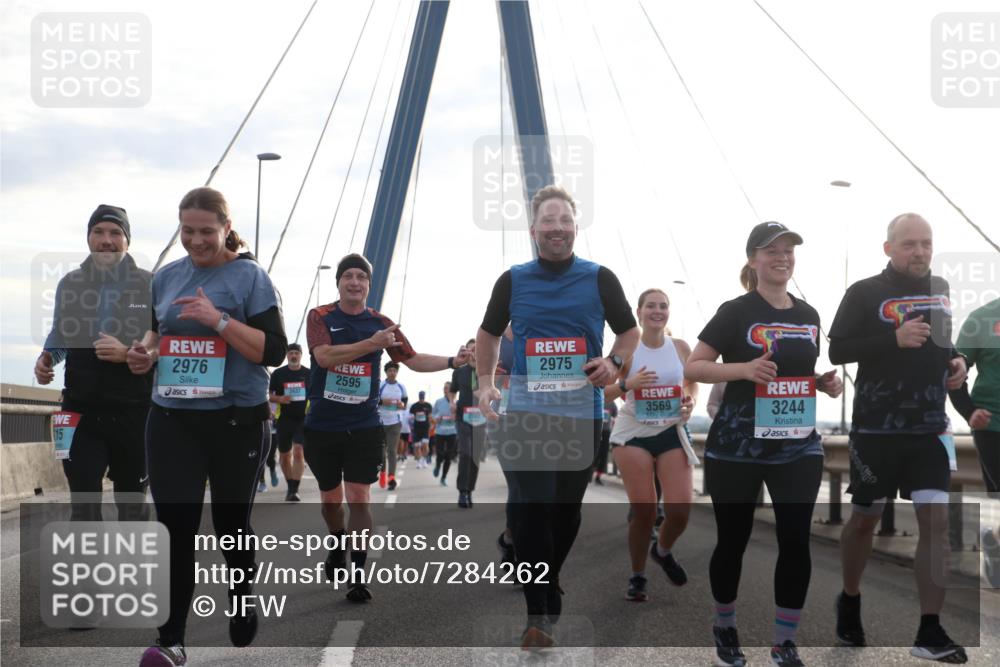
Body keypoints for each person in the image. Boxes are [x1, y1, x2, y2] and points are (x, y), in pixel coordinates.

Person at [127, 187, 287, 666]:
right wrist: (145, 355)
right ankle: (171, 641)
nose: (195, 241)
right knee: (175, 529)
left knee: (230, 525)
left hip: (236, 421)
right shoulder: (166, 278)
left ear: (225, 227)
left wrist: (217, 320)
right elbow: (157, 335)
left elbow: (273, 352)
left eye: (205, 232)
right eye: (187, 231)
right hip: (173, 417)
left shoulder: (250, 278)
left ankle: (242, 594)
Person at [476, 185, 639, 649]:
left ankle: (547, 579)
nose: (557, 229)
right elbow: (486, 335)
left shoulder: (600, 278)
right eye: (548, 221)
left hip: (580, 414)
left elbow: (627, 335)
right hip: (526, 414)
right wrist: (485, 382)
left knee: (565, 512)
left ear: (575, 227)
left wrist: (614, 364)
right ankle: (539, 613)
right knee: (531, 510)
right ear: (533, 230)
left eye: (564, 221)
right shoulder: (513, 280)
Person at [685, 222, 843, 667]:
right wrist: (743, 370)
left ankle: (784, 642)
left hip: (797, 446)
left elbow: (790, 376)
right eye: (772, 250)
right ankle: (725, 626)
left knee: (796, 541)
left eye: (789, 249)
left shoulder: (809, 315)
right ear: (753, 259)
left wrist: (820, 383)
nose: (783, 256)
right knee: (734, 540)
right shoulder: (734, 311)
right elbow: (695, 366)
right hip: (737, 446)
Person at [829, 213, 968, 663]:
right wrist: (893, 339)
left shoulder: (941, 288)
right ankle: (849, 599)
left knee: (936, 523)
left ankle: (930, 631)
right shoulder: (864, 292)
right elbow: (838, 349)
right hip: (875, 431)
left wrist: (958, 363)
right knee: (866, 519)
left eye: (926, 243)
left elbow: (943, 344)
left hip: (930, 429)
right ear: (888, 248)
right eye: (909, 244)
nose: (920, 252)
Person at [302, 253, 469, 602]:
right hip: (323, 424)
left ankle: (358, 576)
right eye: (347, 276)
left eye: (361, 277)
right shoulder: (320, 316)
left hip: (364, 424)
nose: (354, 282)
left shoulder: (382, 323)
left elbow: (412, 359)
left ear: (368, 285)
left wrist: (453, 362)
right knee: (331, 501)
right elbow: (324, 358)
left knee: (360, 497)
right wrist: (371, 345)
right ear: (339, 283)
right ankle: (337, 545)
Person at [35, 204, 153, 524]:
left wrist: (129, 353)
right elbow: (61, 332)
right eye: (98, 232)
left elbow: (162, 341)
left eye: (116, 233)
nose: (106, 240)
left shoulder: (150, 283)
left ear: (127, 241)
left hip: (133, 410)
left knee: (132, 507)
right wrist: (47, 358)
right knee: (84, 504)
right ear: (88, 237)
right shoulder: (70, 284)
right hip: (80, 410)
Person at [606, 288, 699, 602]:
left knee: (681, 509)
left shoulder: (681, 347)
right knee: (645, 510)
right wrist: (626, 384)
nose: (657, 311)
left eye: (663, 306)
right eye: (651, 306)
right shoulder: (628, 351)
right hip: (633, 432)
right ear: (639, 312)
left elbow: (692, 382)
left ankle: (662, 550)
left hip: (671, 430)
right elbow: (599, 391)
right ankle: (638, 575)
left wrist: (691, 403)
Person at [954, 297, 1000, 588]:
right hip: (992, 425)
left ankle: (993, 539)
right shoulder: (981, 319)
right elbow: (955, 374)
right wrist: (969, 412)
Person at [268, 343, 310, 501]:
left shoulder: (308, 373)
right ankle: (289, 484)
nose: (294, 356)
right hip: (284, 419)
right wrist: (279, 399)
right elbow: (267, 395)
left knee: (299, 451)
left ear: (301, 355)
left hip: (302, 419)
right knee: (285, 456)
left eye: (296, 353)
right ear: (287, 355)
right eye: (291, 353)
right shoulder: (278, 374)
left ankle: (294, 489)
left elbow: (316, 395)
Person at [452, 338, 486, 508]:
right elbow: (452, 391)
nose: (474, 353)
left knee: (475, 457)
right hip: (462, 418)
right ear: (467, 352)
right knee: (465, 452)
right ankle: (462, 492)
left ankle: (470, 490)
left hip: (481, 419)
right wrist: (451, 402)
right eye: (471, 350)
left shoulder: (487, 372)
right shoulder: (459, 372)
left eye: (476, 350)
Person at [377, 361, 408, 490]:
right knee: (381, 451)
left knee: (392, 451)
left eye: (394, 371)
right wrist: (383, 401)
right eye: (390, 370)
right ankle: (383, 474)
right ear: (386, 372)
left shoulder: (401, 386)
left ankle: (391, 477)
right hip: (380, 421)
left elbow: (405, 402)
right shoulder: (381, 385)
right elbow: (373, 400)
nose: (392, 373)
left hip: (395, 422)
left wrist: (402, 405)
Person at [431, 382, 457, 485]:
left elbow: (460, 415)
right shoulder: (438, 402)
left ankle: (443, 478)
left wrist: (454, 416)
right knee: (440, 453)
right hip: (440, 432)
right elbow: (433, 415)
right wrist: (437, 417)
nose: (445, 390)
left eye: (447, 388)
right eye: (444, 388)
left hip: (452, 432)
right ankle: (437, 465)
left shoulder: (456, 402)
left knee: (448, 456)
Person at [592, 397, 618, 485]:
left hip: (606, 431)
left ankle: (598, 477)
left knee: (603, 455)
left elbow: (615, 417)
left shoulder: (613, 404)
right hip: (594, 429)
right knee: (593, 453)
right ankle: (589, 475)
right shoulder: (596, 398)